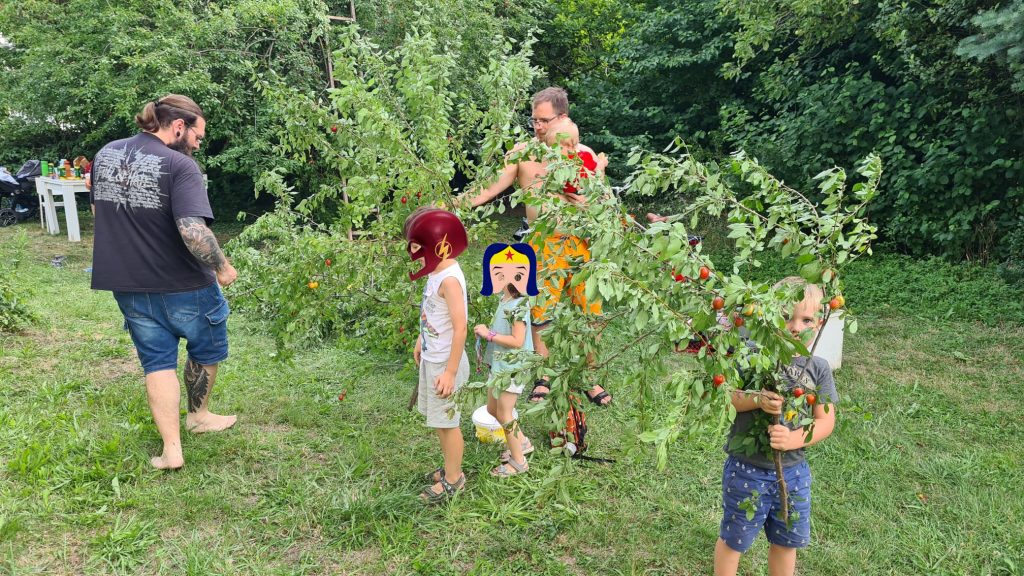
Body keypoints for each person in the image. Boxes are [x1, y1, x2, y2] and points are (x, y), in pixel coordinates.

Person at [90, 94, 238, 470]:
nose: (198, 143)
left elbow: (98, 208)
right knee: (206, 349)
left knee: (156, 362)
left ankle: (172, 450)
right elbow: (192, 231)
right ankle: (199, 416)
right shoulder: (179, 166)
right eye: (198, 136)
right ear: (178, 127)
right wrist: (222, 267)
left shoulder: (107, 153)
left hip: (128, 283)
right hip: (185, 284)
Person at [459, 86, 612, 407]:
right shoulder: (523, 155)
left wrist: (586, 198)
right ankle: (544, 375)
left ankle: (589, 377)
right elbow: (487, 189)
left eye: (544, 120)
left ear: (563, 117)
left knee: (589, 314)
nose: (538, 127)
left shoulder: (580, 153)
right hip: (543, 245)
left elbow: (606, 204)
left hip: (584, 246)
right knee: (542, 315)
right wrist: (451, 205)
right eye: (534, 121)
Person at [714, 277, 839, 576]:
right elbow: (728, 396)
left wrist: (795, 438)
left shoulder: (817, 368)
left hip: (794, 473)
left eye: (806, 319)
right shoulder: (753, 355)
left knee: (787, 542)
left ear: (819, 323)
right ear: (768, 316)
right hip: (746, 468)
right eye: (785, 317)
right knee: (735, 539)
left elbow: (826, 421)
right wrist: (756, 398)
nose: (796, 327)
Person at [406, 207, 471, 503]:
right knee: (439, 422)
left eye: (419, 246)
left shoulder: (450, 280)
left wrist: (450, 372)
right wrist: (422, 338)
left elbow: (460, 329)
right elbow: (431, 313)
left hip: (447, 363)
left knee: (448, 423)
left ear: (438, 243)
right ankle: (449, 467)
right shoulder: (436, 272)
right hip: (434, 359)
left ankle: (454, 479)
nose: (416, 253)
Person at [474, 242, 540, 477]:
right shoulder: (505, 299)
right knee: (493, 408)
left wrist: (488, 334)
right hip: (501, 365)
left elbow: (517, 340)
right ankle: (521, 442)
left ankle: (519, 462)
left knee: (504, 413)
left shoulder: (519, 305)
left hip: (513, 367)